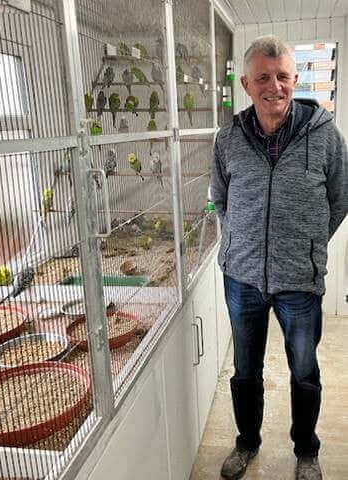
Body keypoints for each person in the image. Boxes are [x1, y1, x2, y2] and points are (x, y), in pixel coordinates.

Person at [211, 35, 348, 480]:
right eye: (264, 78)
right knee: (245, 372)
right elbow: (222, 199)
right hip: (243, 277)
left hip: (300, 280)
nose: (275, 86)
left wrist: (307, 244)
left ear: (295, 79)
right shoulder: (227, 138)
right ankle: (246, 443)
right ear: (248, 85)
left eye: (283, 76)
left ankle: (306, 451)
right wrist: (240, 245)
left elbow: (339, 197)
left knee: (304, 372)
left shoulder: (325, 135)